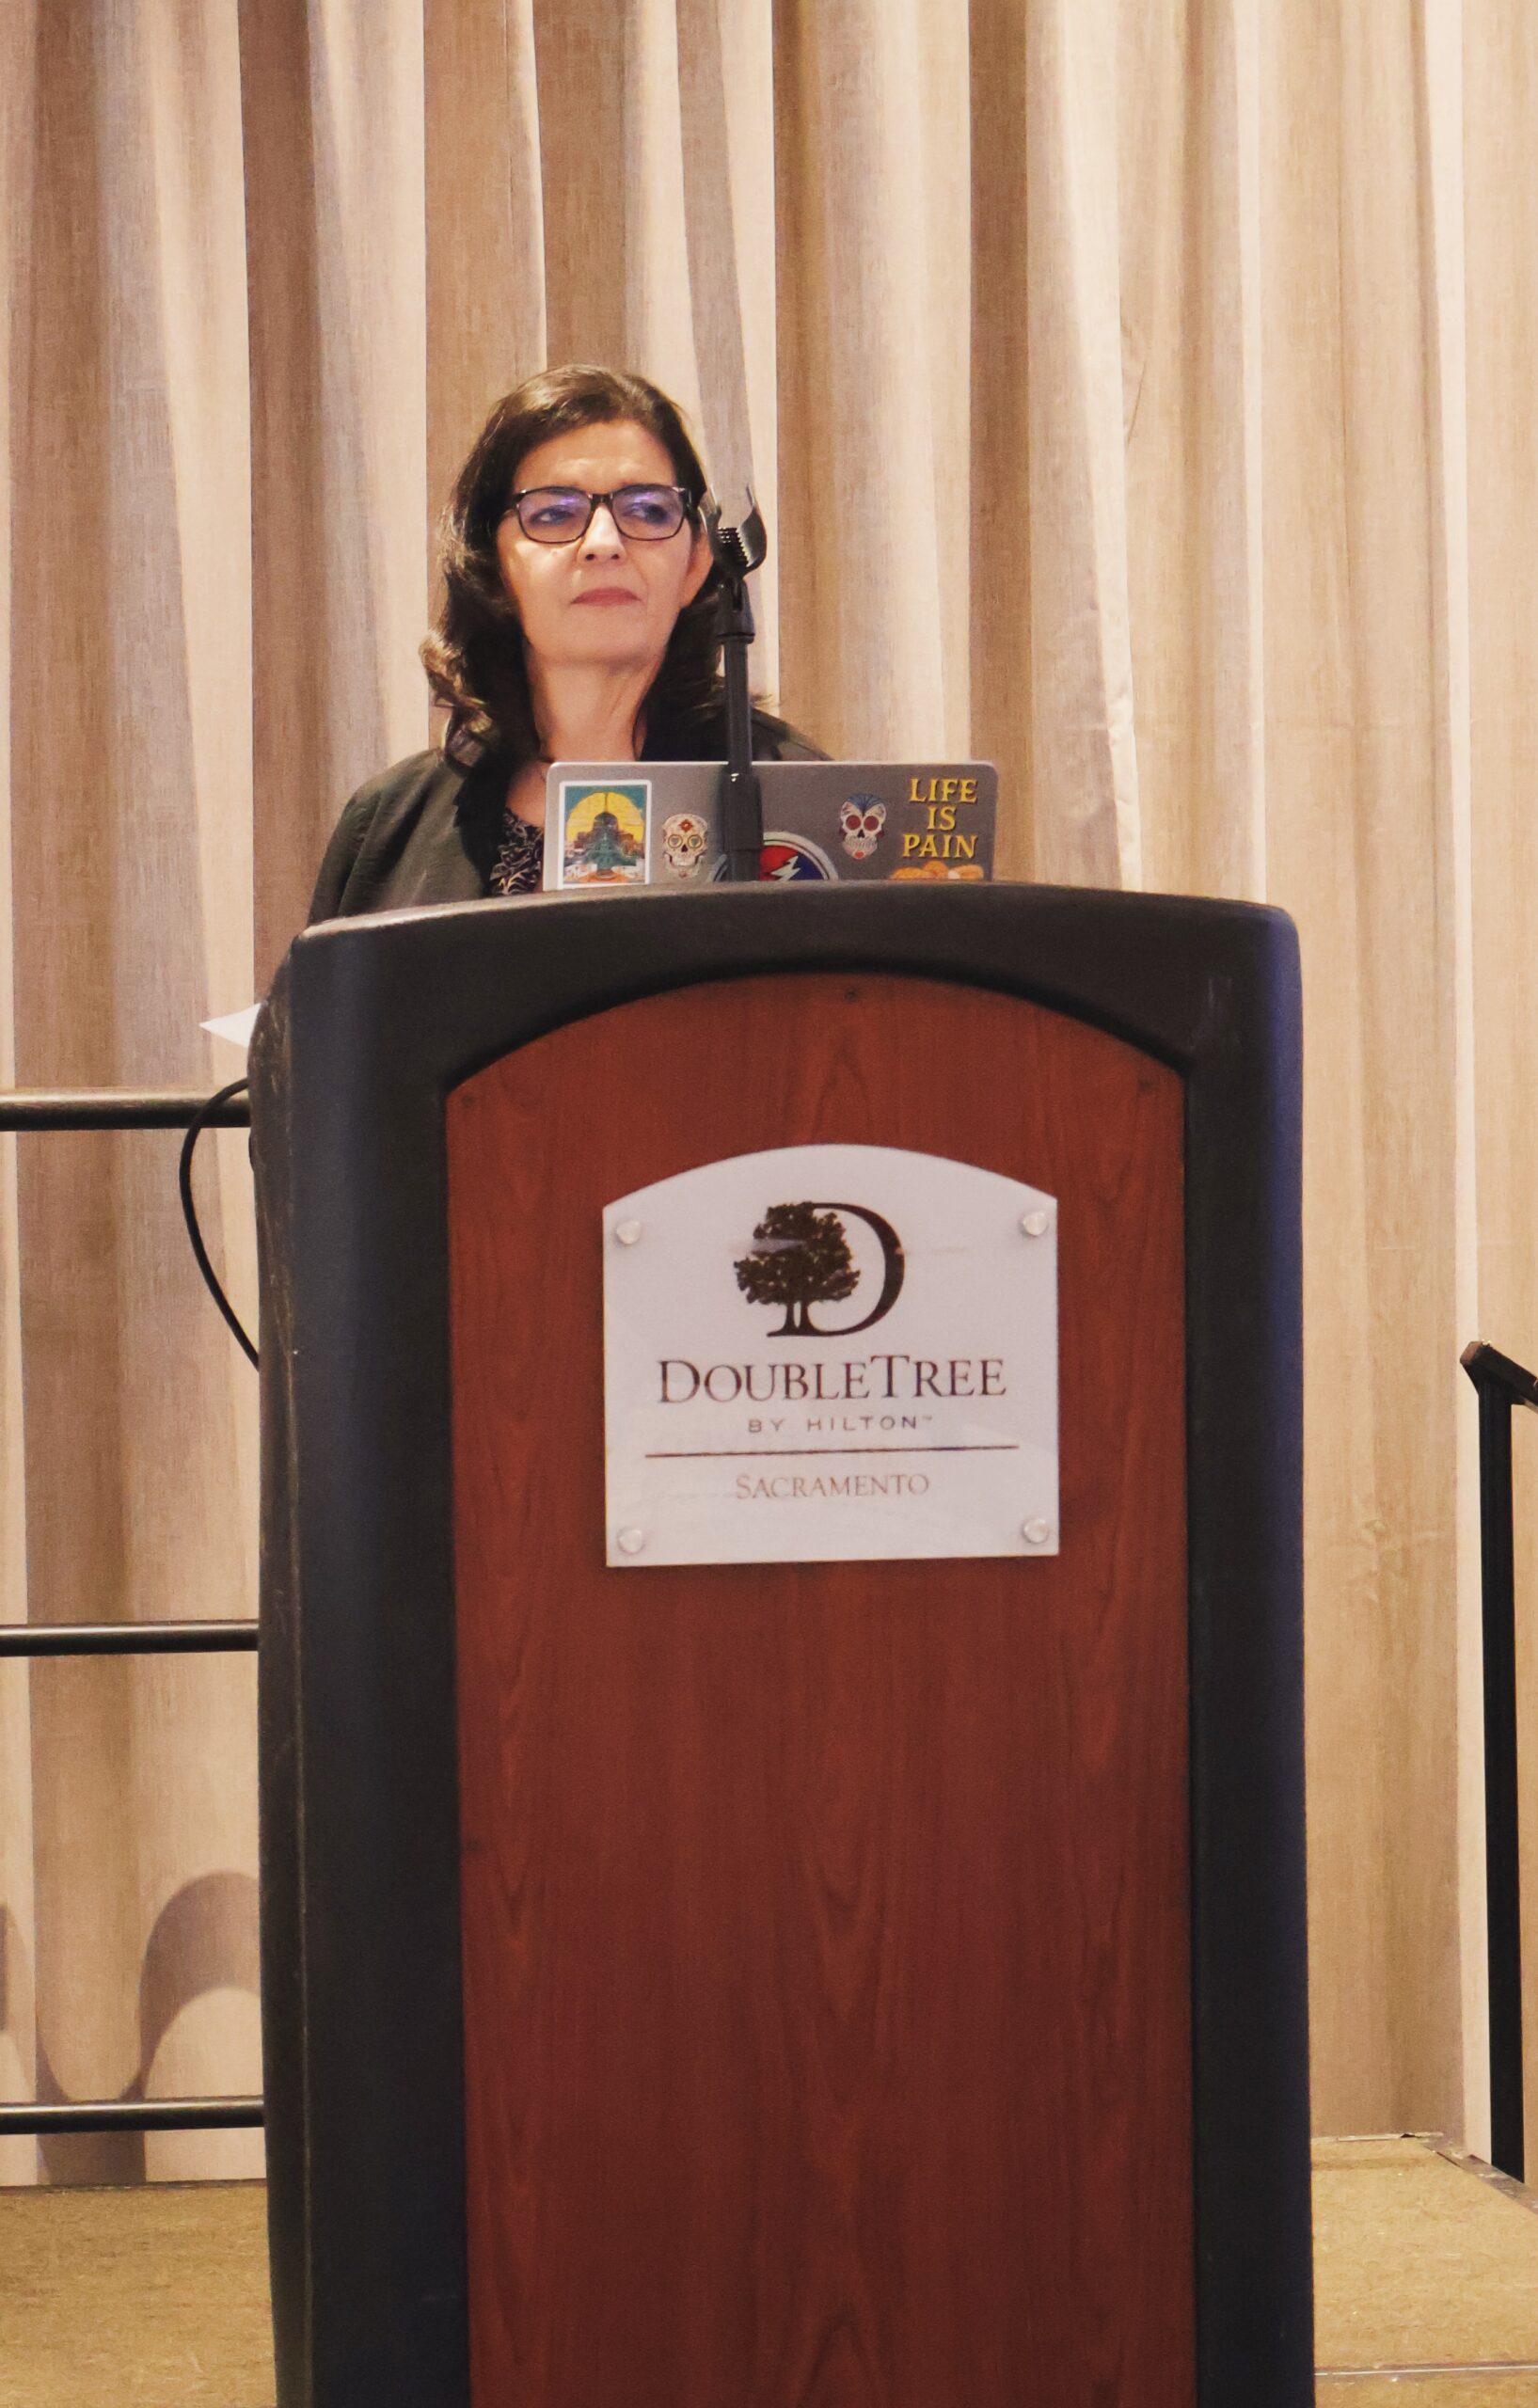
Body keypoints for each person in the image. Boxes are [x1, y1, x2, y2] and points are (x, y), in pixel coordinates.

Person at [309, 364, 821, 920]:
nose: (604, 542)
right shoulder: (386, 826)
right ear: (492, 566)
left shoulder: (799, 800)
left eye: (648, 510)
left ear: (697, 563)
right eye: (554, 513)